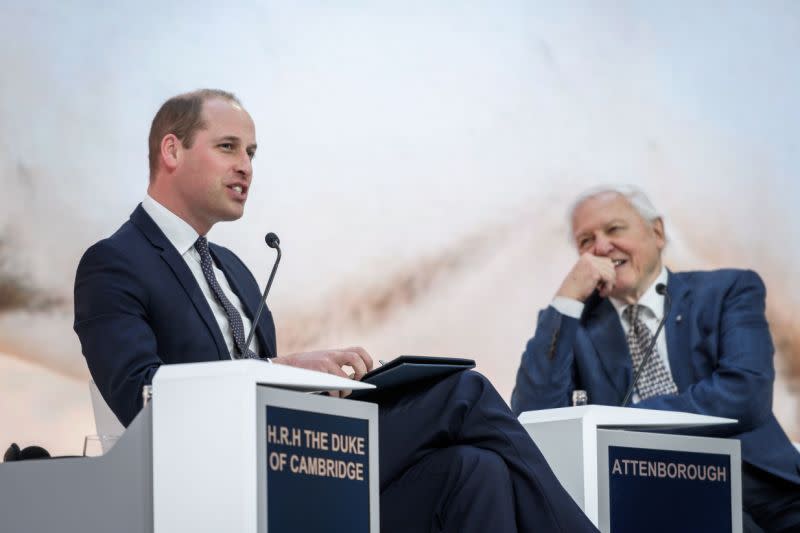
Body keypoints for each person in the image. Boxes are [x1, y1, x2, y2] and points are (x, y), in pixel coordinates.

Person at [74, 89, 597, 533]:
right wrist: (279, 370)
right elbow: (143, 398)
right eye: (228, 147)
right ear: (172, 149)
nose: (246, 167)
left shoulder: (235, 269)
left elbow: (261, 387)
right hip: (231, 480)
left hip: (299, 456)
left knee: (475, 469)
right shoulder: (114, 264)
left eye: (252, 152)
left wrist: (315, 386)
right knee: (464, 391)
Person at [511, 185, 800, 532]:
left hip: (758, 490)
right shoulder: (577, 326)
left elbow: (745, 395)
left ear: (657, 232)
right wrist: (566, 298)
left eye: (614, 229)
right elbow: (534, 419)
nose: (601, 246)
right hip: (644, 497)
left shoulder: (727, 290)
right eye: (586, 241)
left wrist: (620, 422)